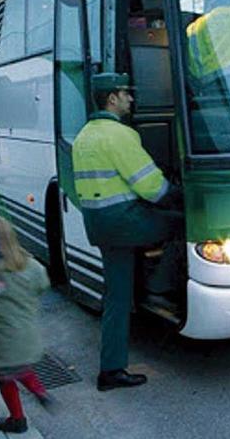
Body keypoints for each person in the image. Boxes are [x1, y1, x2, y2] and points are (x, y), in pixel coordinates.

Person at [72, 73, 184, 391]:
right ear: (112, 99)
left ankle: (111, 370)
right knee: (180, 224)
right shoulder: (119, 135)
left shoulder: (84, 136)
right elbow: (153, 189)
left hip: (99, 224)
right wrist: (179, 194)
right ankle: (161, 285)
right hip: (125, 221)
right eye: (126, 94)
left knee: (116, 297)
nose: (131, 100)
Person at [0, 215, 56, 434]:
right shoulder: (32, 266)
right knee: (20, 367)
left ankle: (17, 419)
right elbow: (43, 286)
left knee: (6, 379)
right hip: (27, 340)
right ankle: (40, 391)